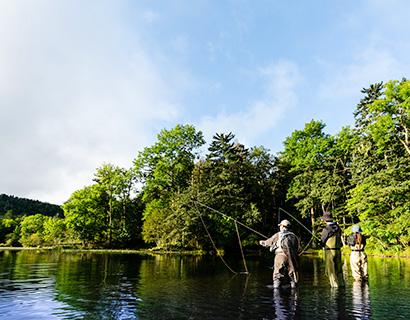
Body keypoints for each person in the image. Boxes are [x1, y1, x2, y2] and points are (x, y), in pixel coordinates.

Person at [259, 219, 300, 289]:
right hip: (292, 258)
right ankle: (294, 292)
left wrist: (261, 242)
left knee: (278, 275)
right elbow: (299, 248)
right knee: (292, 275)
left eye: (280, 225)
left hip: (280, 257)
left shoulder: (278, 235)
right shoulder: (294, 236)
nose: (279, 227)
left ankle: (277, 292)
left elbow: (267, 243)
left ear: (282, 226)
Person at [320, 211, 345, 288]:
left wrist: (321, 243)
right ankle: (342, 285)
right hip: (338, 251)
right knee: (339, 270)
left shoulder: (326, 229)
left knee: (331, 271)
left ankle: (335, 288)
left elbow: (323, 241)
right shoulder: (338, 227)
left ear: (325, 221)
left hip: (329, 252)